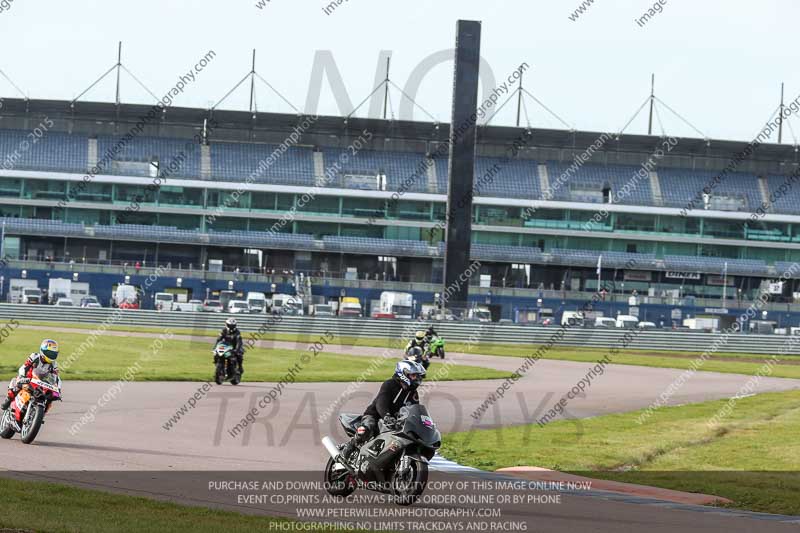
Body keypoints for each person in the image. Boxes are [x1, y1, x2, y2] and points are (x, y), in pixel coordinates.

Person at [340, 360, 426, 458]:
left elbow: (415, 409)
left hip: (396, 421)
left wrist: (420, 422)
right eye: (413, 375)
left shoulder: (413, 393)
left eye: (418, 376)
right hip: (375, 415)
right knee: (367, 428)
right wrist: (386, 416)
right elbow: (381, 403)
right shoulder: (389, 384)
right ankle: (349, 447)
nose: (417, 379)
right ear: (403, 373)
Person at [1, 339, 60, 411]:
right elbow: (25, 366)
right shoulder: (34, 356)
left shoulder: (54, 364)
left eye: (53, 354)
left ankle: (39, 416)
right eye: (50, 353)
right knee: (16, 384)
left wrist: (57, 389)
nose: (51, 356)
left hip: (42, 383)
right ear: (43, 351)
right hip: (29, 379)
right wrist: (22, 376)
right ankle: (9, 399)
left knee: (49, 399)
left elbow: (56, 377)